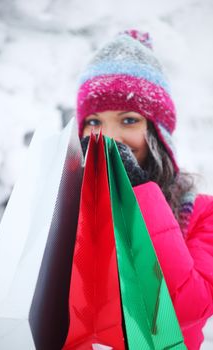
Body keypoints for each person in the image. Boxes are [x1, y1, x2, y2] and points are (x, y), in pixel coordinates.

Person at [75, 29, 213, 349]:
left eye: (128, 121)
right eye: (94, 122)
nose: (108, 137)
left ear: (158, 134)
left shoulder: (202, 213)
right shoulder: (64, 208)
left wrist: (138, 193)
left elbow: (187, 309)